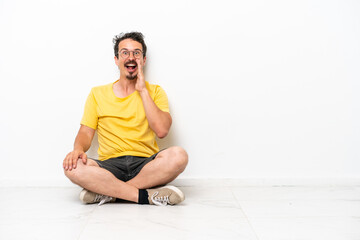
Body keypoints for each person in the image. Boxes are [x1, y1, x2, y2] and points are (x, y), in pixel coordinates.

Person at [63, 32, 188, 206]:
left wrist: (143, 90)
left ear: (143, 60)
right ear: (116, 59)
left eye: (136, 53)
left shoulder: (156, 92)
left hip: (145, 165)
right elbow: (85, 131)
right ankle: (145, 196)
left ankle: (107, 193)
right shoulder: (97, 93)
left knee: (179, 156)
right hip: (109, 167)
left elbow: (162, 130)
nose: (131, 57)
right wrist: (77, 149)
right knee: (72, 166)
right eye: (125, 53)